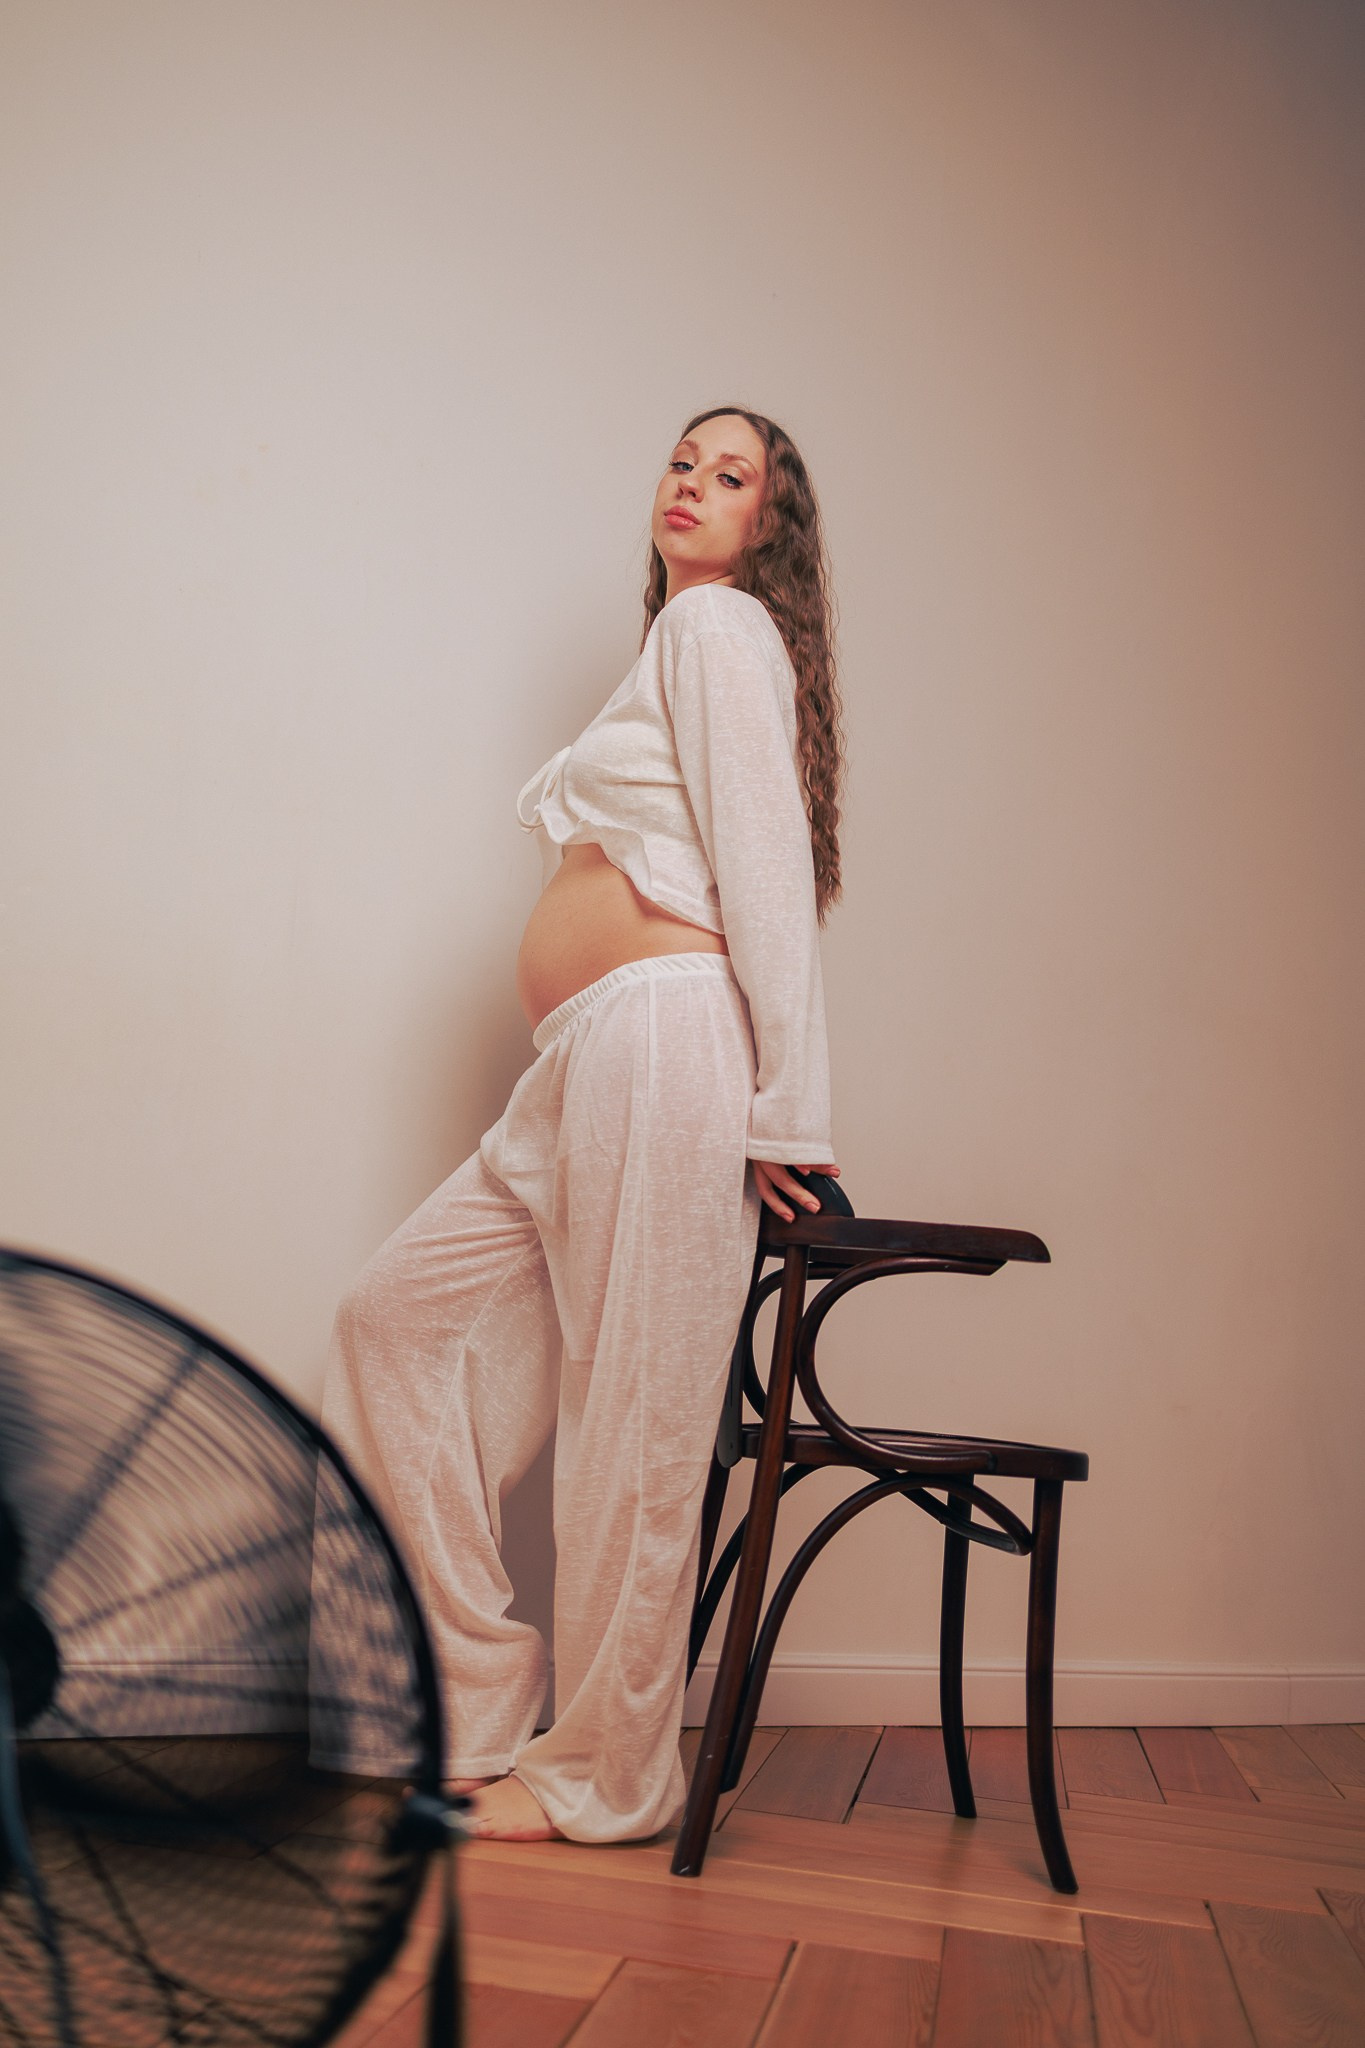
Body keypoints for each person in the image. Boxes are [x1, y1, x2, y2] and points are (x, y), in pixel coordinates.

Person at [321, 406, 844, 1843]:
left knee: (637, 1418)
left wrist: (788, 1115)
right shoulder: (673, 646)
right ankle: (470, 1702)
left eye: (730, 477)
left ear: (768, 526)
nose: (693, 486)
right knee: (394, 1324)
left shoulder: (718, 628)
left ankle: (606, 1776)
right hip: (587, 1060)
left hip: (670, 1050)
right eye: (683, 463)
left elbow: (767, 874)